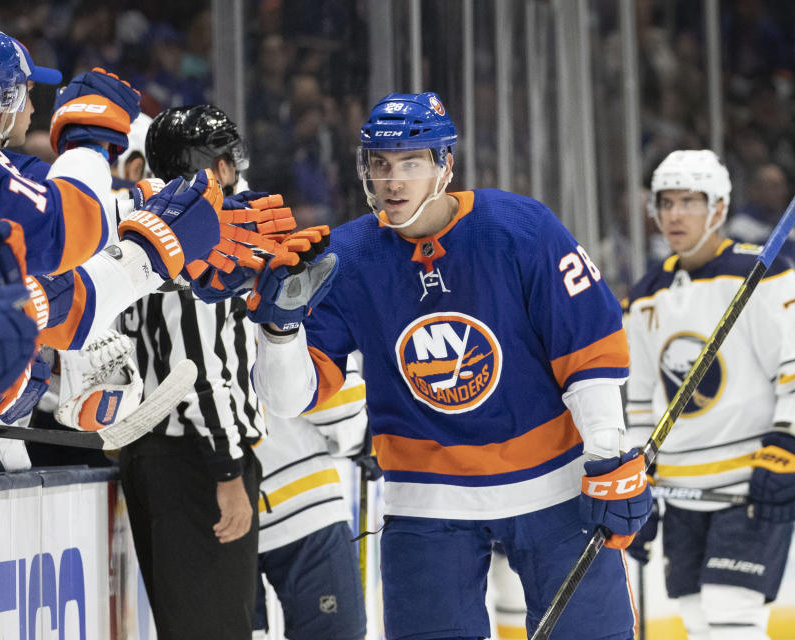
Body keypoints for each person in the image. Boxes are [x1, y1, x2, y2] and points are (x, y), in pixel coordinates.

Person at [249, 91, 653, 640]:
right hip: (426, 496)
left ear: (445, 167)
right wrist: (279, 330)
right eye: (380, 164)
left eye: (411, 163)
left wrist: (608, 450)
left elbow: (587, 347)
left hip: (553, 480)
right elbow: (289, 399)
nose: (393, 181)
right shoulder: (343, 258)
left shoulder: (520, 227)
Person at [624, 150, 795, 639]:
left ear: (718, 208)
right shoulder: (643, 294)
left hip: (750, 476)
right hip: (679, 486)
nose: (675, 214)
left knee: (731, 613)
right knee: (697, 617)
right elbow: (638, 399)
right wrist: (642, 474)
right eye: (666, 202)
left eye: (690, 202)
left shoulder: (762, 274)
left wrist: (785, 443)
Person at [118, 104, 268, 640]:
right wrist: (227, 471)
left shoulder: (144, 229)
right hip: (199, 463)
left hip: (158, 456)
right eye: (227, 160)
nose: (235, 171)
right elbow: (201, 364)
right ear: (213, 166)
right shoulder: (200, 235)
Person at [253, 352, 368, 640]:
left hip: (206, 509)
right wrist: (365, 437)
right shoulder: (261, 304)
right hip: (301, 502)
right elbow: (323, 376)